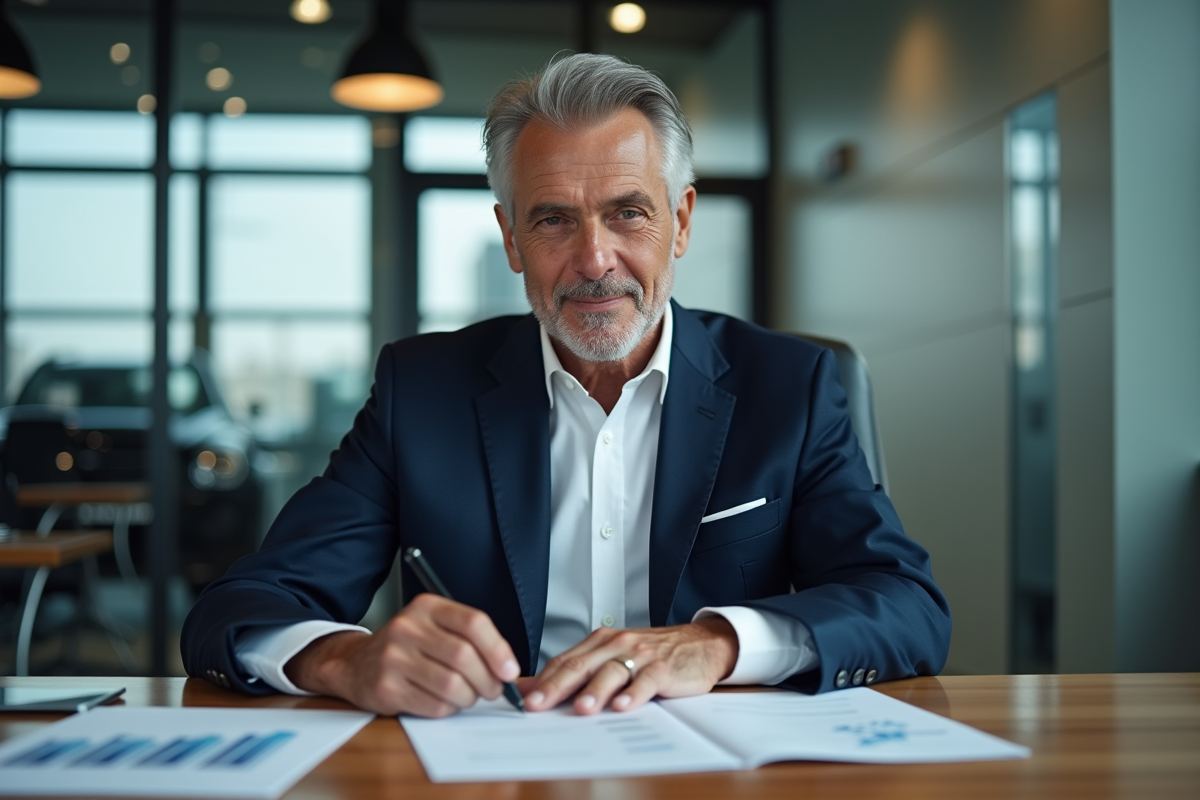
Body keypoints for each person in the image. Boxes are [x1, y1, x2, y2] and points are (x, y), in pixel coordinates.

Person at [181, 53, 950, 719]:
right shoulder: (422, 393)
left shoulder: (792, 386)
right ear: (511, 238)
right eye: (553, 221)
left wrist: (717, 643)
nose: (594, 259)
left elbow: (907, 606)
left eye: (627, 214)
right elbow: (238, 610)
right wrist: (343, 661)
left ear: (680, 223)